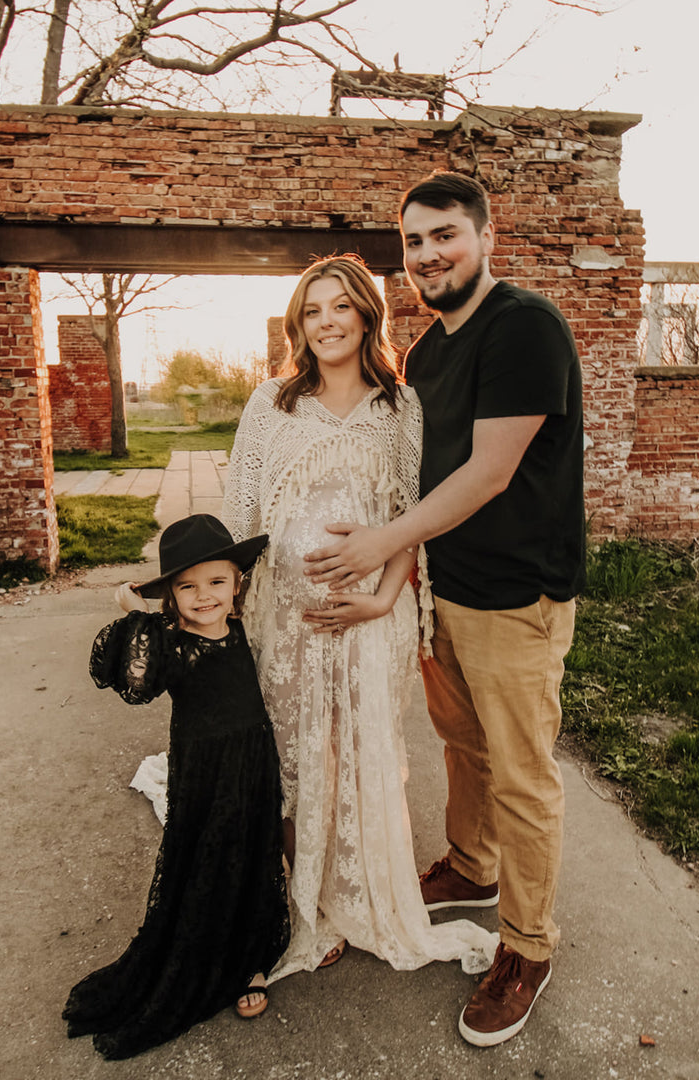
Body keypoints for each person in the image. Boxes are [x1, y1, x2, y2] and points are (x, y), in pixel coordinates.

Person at [303, 172, 585, 1047]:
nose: (428, 255)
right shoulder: (426, 354)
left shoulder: (524, 327)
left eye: (445, 235)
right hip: (445, 591)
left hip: (517, 596)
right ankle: (472, 866)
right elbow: (416, 476)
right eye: (414, 242)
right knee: (464, 745)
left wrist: (378, 545)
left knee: (522, 773)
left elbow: (489, 473)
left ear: (486, 236)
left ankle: (527, 947)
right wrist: (402, 578)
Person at [221, 254, 496, 982]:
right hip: (286, 622)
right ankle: (303, 902)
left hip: (373, 618)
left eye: (341, 306)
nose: (327, 323)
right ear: (298, 325)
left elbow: (414, 518)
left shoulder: (400, 408)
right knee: (292, 758)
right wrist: (222, 608)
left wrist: (381, 598)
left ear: (367, 315)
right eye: (313, 311)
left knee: (355, 755)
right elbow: (240, 514)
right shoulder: (270, 404)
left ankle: (353, 894)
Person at [62, 514, 290, 1060]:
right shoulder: (172, 644)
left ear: (237, 583)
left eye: (216, 581)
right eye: (187, 587)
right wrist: (136, 613)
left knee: (253, 856)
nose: (204, 596)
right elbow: (133, 682)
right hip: (204, 774)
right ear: (171, 597)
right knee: (208, 861)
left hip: (253, 765)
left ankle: (251, 959)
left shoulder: (243, 630)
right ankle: (206, 957)